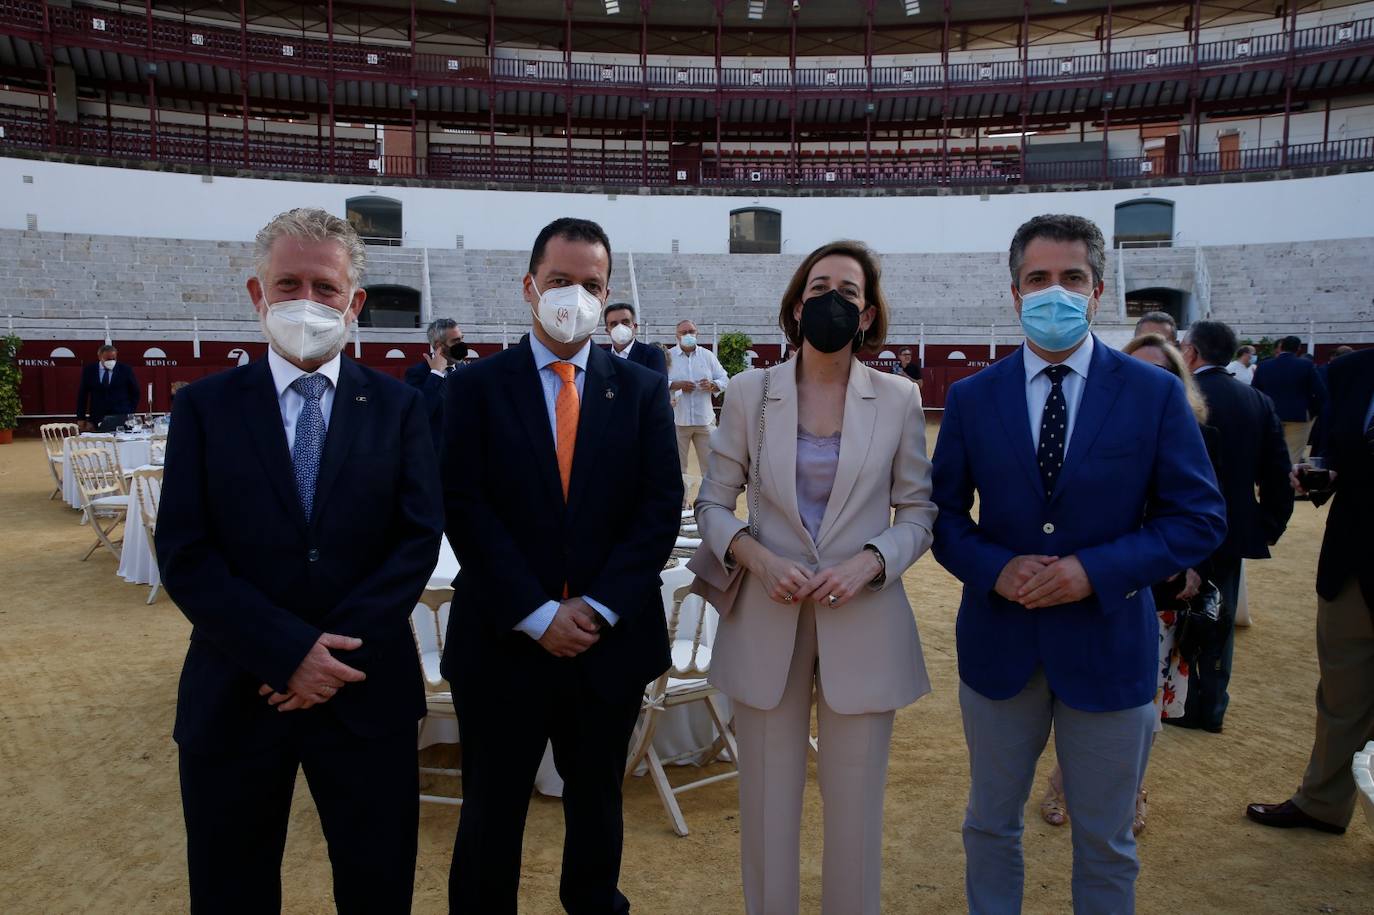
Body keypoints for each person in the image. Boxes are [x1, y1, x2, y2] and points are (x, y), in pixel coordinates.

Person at [930, 214, 1225, 915]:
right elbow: (941, 515)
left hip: (1109, 644)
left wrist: (1095, 569)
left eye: (1071, 278)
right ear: (1014, 293)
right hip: (1001, 646)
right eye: (1038, 279)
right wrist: (995, 568)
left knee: (1107, 841)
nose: (1053, 291)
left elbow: (1199, 515)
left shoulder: (1152, 393)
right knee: (989, 824)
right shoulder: (973, 397)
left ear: (1097, 293)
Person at [155, 207, 444, 914]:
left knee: (377, 888)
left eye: (324, 285)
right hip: (238, 689)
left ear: (355, 302)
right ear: (258, 295)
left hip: (364, 688)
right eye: (288, 283)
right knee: (231, 890)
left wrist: (326, 653)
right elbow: (186, 551)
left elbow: (416, 540)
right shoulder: (205, 408)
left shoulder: (401, 407)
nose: (306, 302)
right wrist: (286, 652)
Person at [440, 217, 682, 914]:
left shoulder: (639, 390)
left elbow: (659, 508)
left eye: (591, 284)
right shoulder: (475, 387)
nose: (575, 296)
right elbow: (465, 507)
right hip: (502, 643)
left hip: (608, 644)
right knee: (490, 815)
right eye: (559, 281)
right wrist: (539, 612)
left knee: (599, 812)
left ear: (607, 294)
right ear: (529, 287)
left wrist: (599, 605)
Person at [690, 241, 937, 915]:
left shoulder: (898, 397)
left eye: (848, 291)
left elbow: (919, 512)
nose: (833, 299)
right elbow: (711, 504)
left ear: (868, 313)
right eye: (819, 286)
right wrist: (755, 555)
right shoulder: (747, 392)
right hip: (766, 618)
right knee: (767, 805)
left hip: (866, 619)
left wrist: (873, 561)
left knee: (856, 810)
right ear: (797, 306)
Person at [1039, 331, 1219, 835]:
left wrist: (1193, 566)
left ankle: (1130, 788)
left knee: (1142, 708)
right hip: (1106, 587)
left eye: (1159, 372)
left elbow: (1203, 515)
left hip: (1157, 592)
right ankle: (1065, 780)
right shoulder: (1089, 414)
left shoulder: (1186, 425)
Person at [1246, 346, 1374, 836]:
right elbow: (1336, 447)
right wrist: (1321, 475)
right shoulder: (1351, 371)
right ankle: (1322, 802)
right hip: (1353, 561)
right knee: (1344, 692)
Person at [1169, 320, 1294, 733]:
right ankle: (1213, 705)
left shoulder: (1179, 396)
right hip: (1233, 529)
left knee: (1175, 611)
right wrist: (1266, 526)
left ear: (1191, 353)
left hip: (1180, 527)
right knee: (1219, 618)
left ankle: (1178, 701)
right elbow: (1278, 474)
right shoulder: (1256, 399)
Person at [668, 319, 730, 476]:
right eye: (684, 332)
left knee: (711, 467)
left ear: (697, 333)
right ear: (677, 335)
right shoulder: (668, 356)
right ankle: (681, 501)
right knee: (677, 467)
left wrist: (712, 385)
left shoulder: (707, 356)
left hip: (704, 420)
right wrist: (676, 384)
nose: (688, 335)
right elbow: (658, 380)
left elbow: (724, 378)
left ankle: (709, 500)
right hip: (677, 420)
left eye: (691, 332)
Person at [1253, 335, 1327, 462]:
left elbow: (1255, 391)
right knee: (1293, 455)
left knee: (1270, 452)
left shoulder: (1264, 365)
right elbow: (1321, 392)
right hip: (1298, 416)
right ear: (1298, 348)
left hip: (1270, 414)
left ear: (1281, 347)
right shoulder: (1306, 365)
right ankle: (1287, 480)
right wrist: (1313, 412)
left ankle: (1270, 480)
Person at [404, 317, 465, 455]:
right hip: (435, 456)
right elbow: (419, 415)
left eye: (462, 339)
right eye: (456, 341)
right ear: (439, 346)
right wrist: (436, 374)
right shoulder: (417, 373)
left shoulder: (466, 370)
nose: (462, 345)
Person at [75, 343, 140, 430]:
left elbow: (135, 392)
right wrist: (81, 417)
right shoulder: (89, 370)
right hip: (97, 416)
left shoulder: (125, 369)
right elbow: (83, 395)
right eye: (108, 359)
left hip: (120, 416)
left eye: (114, 358)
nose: (111, 361)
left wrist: (130, 411)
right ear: (100, 357)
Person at [602, 301, 667, 375]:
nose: (620, 327)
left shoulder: (653, 354)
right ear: (607, 331)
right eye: (614, 324)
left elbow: (659, 385)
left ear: (635, 327)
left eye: (625, 322)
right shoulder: (600, 356)